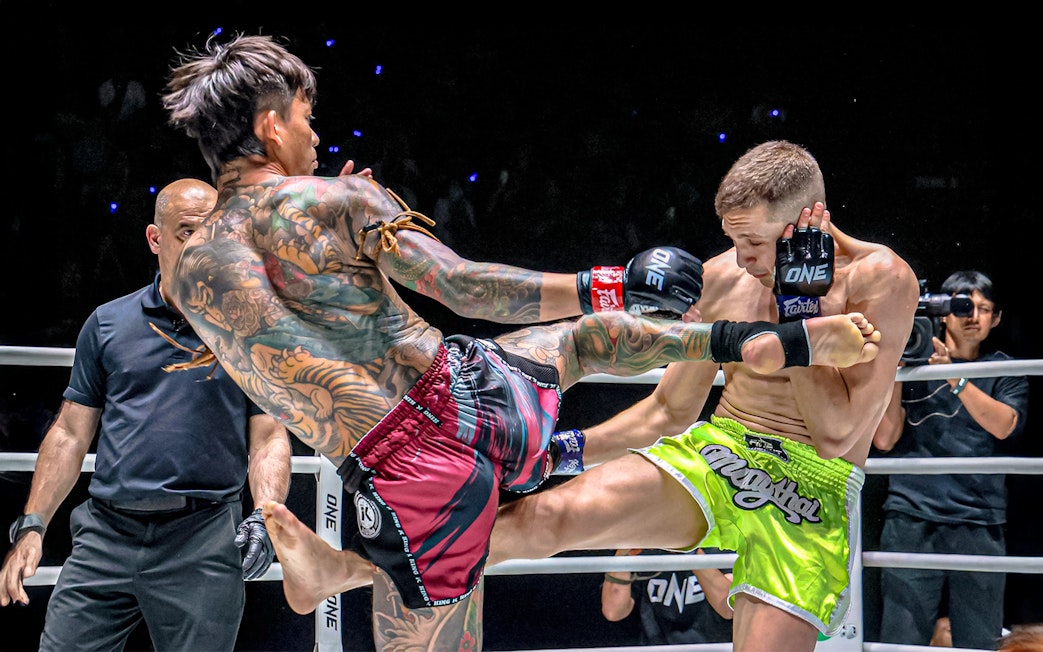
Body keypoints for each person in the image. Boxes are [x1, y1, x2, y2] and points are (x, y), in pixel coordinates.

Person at [160, 35, 881, 651]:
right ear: (271, 121)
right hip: (468, 399)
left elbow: (292, 349)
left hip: (389, 469)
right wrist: (610, 280)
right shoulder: (329, 199)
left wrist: (344, 244)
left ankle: (343, 567)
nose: (316, 135)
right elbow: (464, 289)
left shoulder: (191, 277)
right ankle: (752, 339)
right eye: (307, 116)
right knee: (590, 336)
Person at [0, 179, 292, 652]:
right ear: (156, 239)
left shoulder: (248, 327)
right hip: (105, 533)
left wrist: (264, 516)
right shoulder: (108, 322)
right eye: (186, 233)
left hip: (202, 538)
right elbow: (71, 433)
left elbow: (269, 438)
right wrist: (33, 525)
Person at [873, 270, 1029, 650]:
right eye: (962, 306)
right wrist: (894, 371)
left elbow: (1005, 425)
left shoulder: (1003, 368)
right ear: (942, 312)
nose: (972, 315)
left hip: (979, 521)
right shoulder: (912, 362)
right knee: (901, 641)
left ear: (997, 318)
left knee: (980, 642)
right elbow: (884, 438)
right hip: (911, 518)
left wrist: (954, 378)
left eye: (983, 308)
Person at [601, 547, 733, 645]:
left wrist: (690, 550)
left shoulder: (718, 544)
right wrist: (624, 554)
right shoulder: (643, 547)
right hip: (656, 646)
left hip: (711, 646)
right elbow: (613, 611)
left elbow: (727, 607)